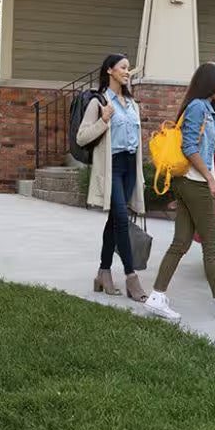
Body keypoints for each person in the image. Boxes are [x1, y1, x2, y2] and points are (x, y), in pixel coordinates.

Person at [143, 62, 215, 320]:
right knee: (213, 246)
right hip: (195, 183)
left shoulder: (204, 108)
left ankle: (157, 297)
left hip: (188, 183)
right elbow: (190, 147)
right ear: (210, 83)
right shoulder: (197, 109)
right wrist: (210, 179)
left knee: (181, 242)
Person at [79, 54, 151, 305]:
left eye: (128, 69)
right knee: (120, 219)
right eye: (122, 67)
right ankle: (131, 277)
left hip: (130, 167)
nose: (127, 72)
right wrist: (104, 120)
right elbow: (82, 137)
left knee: (115, 221)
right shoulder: (99, 102)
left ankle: (103, 272)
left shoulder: (132, 104)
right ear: (109, 70)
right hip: (112, 168)